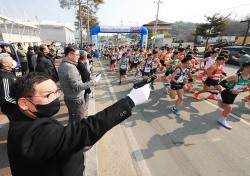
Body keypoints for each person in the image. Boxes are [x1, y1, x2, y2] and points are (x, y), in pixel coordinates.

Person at [7, 72, 150, 176]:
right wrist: (130, 101)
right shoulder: (32, 135)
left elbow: (62, 140)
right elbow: (83, 130)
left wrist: (77, 145)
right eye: (48, 95)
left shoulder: (28, 119)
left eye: (56, 92)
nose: (56, 98)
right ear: (24, 103)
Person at [58, 46, 101, 123]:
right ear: (70, 55)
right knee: (80, 121)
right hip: (76, 100)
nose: (78, 57)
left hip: (69, 97)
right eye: (77, 55)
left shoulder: (63, 64)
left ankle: (71, 132)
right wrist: (93, 82)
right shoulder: (70, 68)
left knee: (72, 118)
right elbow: (78, 87)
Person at [218, 62, 250, 129]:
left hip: (235, 94)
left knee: (225, 106)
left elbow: (241, 88)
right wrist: (231, 89)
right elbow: (222, 83)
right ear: (245, 68)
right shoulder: (235, 76)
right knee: (229, 109)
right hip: (227, 93)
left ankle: (220, 100)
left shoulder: (249, 77)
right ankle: (222, 120)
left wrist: (245, 89)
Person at [0, 53, 17, 120]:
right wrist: (20, 103)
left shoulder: (8, 73)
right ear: (5, 64)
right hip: (12, 109)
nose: (13, 61)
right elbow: (6, 97)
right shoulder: (5, 77)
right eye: (11, 60)